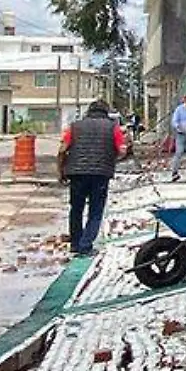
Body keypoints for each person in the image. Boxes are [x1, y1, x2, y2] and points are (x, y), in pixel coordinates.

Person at [60, 99, 130, 257]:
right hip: (101, 174)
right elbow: (122, 151)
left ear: (88, 112)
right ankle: (86, 245)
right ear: (106, 113)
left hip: (76, 174)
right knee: (95, 211)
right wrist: (111, 159)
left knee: (76, 209)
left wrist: (61, 171)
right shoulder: (113, 127)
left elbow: (62, 149)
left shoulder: (75, 126)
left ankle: (75, 244)